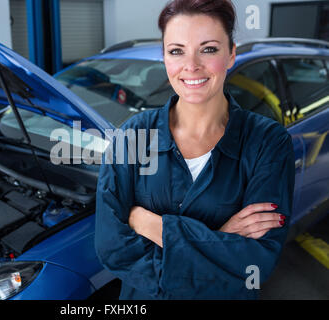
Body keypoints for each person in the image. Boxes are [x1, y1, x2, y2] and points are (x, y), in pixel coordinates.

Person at [94, 0, 295, 299]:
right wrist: (221, 240)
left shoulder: (268, 142)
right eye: (177, 51)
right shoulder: (134, 135)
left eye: (209, 49)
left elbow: (255, 262)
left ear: (231, 54)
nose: (191, 66)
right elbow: (111, 246)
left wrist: (149, 223)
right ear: (164, 57)